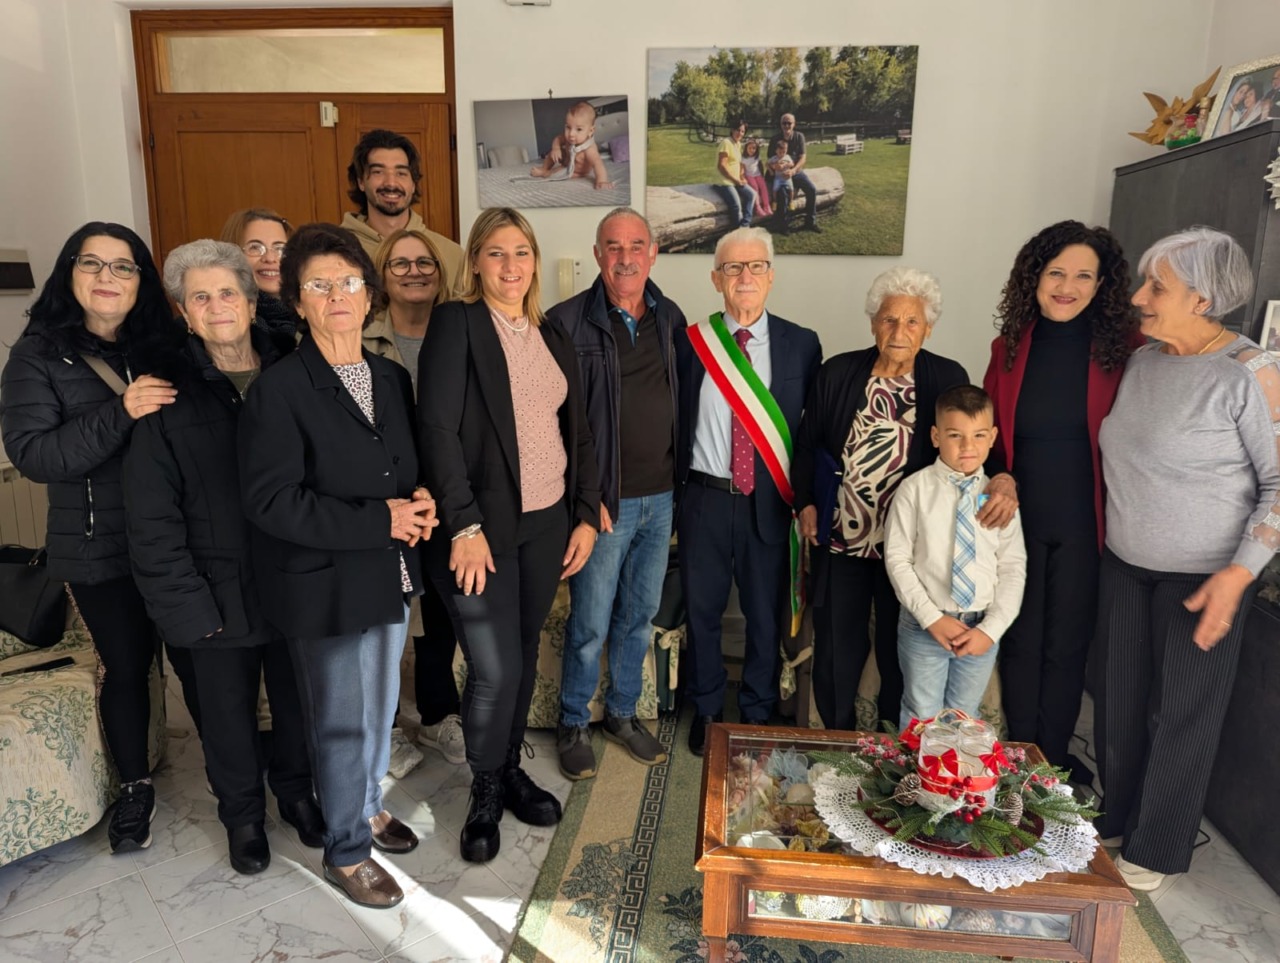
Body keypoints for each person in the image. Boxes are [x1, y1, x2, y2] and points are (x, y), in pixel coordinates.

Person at [239, 223, 437, 909]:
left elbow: (399, 464)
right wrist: (381, 518)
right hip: (323, 585)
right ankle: (347, 850)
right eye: (318, 285)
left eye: (348, 281)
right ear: (298, 301)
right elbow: (272, 502)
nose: (336, 295)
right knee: (341, 718)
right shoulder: (280, 389)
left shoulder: (387, 374)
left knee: (380, 707)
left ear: (368, 291)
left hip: (386, 573)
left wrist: (420, 500)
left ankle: (365, 804)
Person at [124, 239, 323, 875]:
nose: (216, 306)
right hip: (213, 590)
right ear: (184, 311)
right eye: (200, 296)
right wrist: (185, 605)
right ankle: (241, 816)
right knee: (227, 717)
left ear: (250, 298)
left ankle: (296, 794)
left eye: (227, 292)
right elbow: (151, 517)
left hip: (295, 582)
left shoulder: (296, 372)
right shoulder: (164, 395)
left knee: (299, 704)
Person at [1095, 227, 1279, 892]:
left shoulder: (1250, 372)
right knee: (1118, 701)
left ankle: (1159, 843)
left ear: (1203, 299)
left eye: (1157, 287)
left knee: (1181, 714)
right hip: (1124, 564)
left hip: (1205, 576)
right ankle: (1117, 817)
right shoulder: (1147, 361)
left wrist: (1238, 574)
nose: (1140, 298)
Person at [418, 207, 600, 863]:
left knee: (521, 654)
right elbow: (436, 430)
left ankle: (511, 768)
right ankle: (487, 787)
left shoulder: (549, 333)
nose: (510, 265)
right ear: (475, 262)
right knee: (492, 667)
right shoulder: (457, 324)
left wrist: (585, 510)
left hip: (548, 521)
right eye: (496, 253)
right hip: (480, 528)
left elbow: (575, 430)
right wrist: (462, 522)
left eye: (520, 252)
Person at [0, 222, 181, 853]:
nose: (108, 277)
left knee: (202, 661)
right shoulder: (36, 355)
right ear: (69, 274)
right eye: (92, 263)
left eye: (124, 266)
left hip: (177, 542)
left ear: (142, 281)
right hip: (97, 544)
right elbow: (34, 457)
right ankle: (135, 788)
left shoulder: (164, 344)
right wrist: (121, 410)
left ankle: (237, 778)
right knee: (127, 668)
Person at [792, 268, 982, 731]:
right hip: (844, 539)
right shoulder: (838, 372)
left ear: (928, 328)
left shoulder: (947, 377)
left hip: (915, 548)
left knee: (906, 653)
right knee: (839, 646)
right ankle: (836, 739)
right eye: (889, 319)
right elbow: (807, 443)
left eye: (911, 322)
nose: (899, 332)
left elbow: (967, 450)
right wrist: (806, 503)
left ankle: (896, 746)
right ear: (873, 323)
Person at [982, 221, 1140, 778]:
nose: (1067, 286)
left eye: (1082, 276)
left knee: (1067, 648)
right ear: (1035, 277)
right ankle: (1017, 758)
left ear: (1102, 285)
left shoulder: (1128, 352)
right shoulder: (1009, 348)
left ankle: (1050, 765)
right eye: (1056, 273)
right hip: (1018, 524)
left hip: (1086, 524)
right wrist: (1000, 476)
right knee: (1020, 642)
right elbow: (990, 439)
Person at [550, 207, 684, 780]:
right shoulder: (565, 322)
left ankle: (623, 715)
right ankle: (574, 720)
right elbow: (554, 422)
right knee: (590, 621)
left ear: (653, 253)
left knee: (639, 616)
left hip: (662, 500)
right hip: (605, 503)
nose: (625, 257)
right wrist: (585, 497)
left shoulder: (670, 316)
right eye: (613, 246)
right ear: (598, 253)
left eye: (636, 246)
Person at [677, 226, 821, 755]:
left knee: (765, 615)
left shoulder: (801, 344)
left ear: (771, 276)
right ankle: (710, 709)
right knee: (704, 611)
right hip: (705, 499)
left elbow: (806, 436)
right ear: (716, 278)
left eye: (755, 266)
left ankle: (758, 709)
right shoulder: (692, 344)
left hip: (768, 502)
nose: (745, 276)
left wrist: (805, 499)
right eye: (733, 268)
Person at [366, 228, 466, 768]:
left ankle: (435, 714)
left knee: (442, 610)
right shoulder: (361, 338)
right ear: (382, 276)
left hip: (446, 495)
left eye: (424, 262)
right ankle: (382, 728)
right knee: (386, 612)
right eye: (399, 264)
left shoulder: (460, 332)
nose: (414, 271)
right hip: (386, 502)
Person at [884, 385, 1027, 727]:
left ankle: (955, 781)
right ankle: (918, 782)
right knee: (922, 714)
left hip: (980, 627)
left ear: (993, 436)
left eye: (979, 435)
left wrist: (990, 630)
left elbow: (1012, 568)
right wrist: (931, 618)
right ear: (935, 436)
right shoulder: (914, 490)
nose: (967, 447)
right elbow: (897, 559)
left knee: (965, 717)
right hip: (926, 625)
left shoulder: (999, 498)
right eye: (954, 435)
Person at [341, 128, 464, 286]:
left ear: (413, 184)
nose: (391, 183)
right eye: (378, 172)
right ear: (361, 182)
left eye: (401, 173)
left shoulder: (451, 255)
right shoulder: (336, 250)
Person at [220, 208, 296, 339]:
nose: (270, 258)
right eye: (255, 247)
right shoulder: (220, 320)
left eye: (280, 248)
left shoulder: (312, 311)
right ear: (232, 255)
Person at [528, 100, 614, 190]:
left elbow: (598, 164)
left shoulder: (589, 149)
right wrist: (556, 148)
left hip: (577, 171)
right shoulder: (569, 138)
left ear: (591, 131)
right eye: (568, 127)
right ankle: (544, 168)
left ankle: (544, 173)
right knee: (552, 153)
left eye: (579, 129)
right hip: (566, 160)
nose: (571, 134)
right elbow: (558, 139)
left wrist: (601, 181)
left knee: (556, 173)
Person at [769, 114, 819, 233]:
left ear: (794, 124)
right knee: (782, 194)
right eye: (784, 123)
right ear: (781, 125)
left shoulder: (799, 137)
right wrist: (777, 167)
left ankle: (810, 222)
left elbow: (803, 158)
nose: (786, 125)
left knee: (811, 189)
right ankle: (783, 225)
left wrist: (793, 170)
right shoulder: (775, 139)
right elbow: (770, 159)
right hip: (779, 174)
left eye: (789, 123)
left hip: (795, 171)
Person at [715, 119, 757, 230]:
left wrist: (741, 177)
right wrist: (736, 180)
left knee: (752, 194)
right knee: (736, 205)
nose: (740, 133)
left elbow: (738, 164)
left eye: (743, 131)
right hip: (723, 182)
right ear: (732, 130)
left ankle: (744, 226)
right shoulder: (726, 143)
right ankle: (740, 234)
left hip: (735, 180)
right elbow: (721, 166)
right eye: (738, 130)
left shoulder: (738, 144)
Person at [739, 138, 773, 218]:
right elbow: (742, 168)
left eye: (754, 148)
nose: (752, 150)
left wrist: (762, 175)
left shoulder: (757, 157)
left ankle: (766, 206)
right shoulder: (743, 158)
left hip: (757, 175)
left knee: (763, 187)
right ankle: (757, 207)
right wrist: (742, 176)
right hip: (749, 176)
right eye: (750, 148)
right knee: (755, 187)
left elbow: (760, 165)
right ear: (746, 148)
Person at [767, 140, 795, 232]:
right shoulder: (774, 158)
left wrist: (787, 164)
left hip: (787, 178)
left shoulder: (787, 157)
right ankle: (775, 202)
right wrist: (772, 169)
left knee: (791, 188)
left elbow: (792, 164)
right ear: (776, 151)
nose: (782, 154)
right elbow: (767, 163)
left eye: (784, 152)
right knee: (774, 189)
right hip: (778, 178)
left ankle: (791, 201)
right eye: (780, 152)